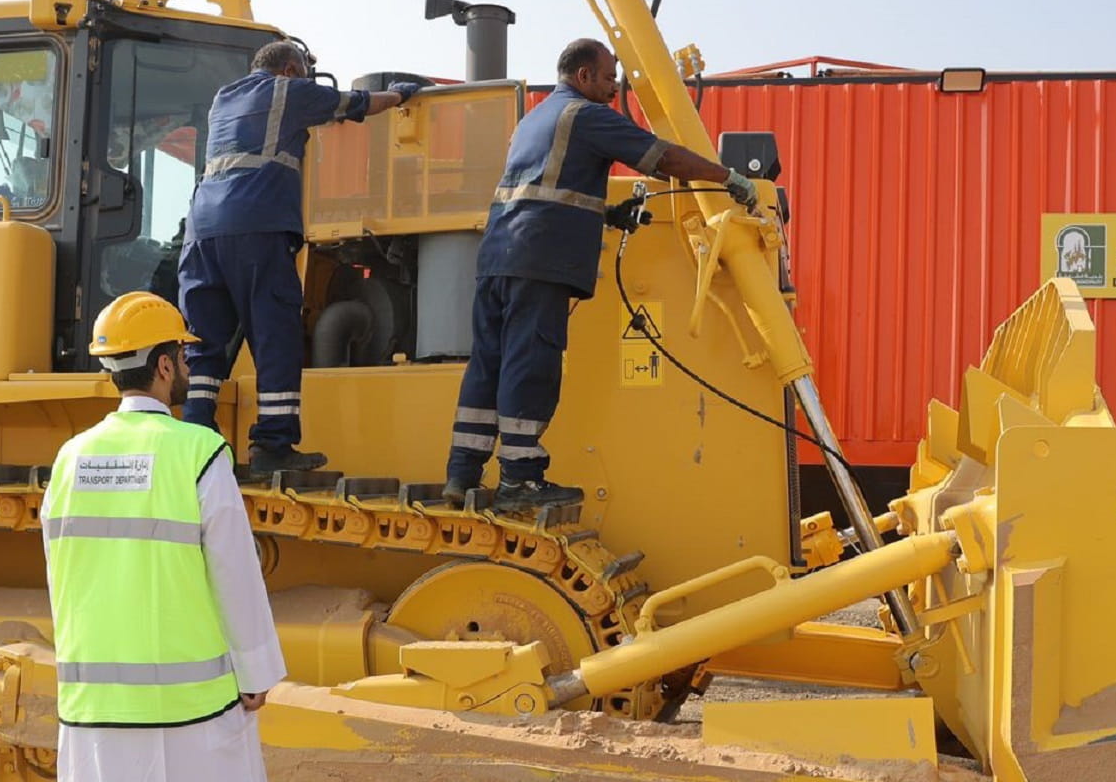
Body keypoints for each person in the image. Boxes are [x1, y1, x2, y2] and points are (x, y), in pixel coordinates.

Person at [42, 290, 335, 782]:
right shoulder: (197, 452)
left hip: (95, 703)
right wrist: (256, 672)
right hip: (192, 703)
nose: (188, 367)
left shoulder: (71, 458)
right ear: (165, 365)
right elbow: (235, 571)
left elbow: (63, 577)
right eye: (183, 354)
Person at [441, 37, 757, 509]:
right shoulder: (585, 116)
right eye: (609, 78)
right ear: (583, 75)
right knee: (532, 363)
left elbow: (547, 187)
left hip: (498, 257)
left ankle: (461, 473)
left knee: (489, 363)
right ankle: (520, 480)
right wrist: (727, 178)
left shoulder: (534, 120)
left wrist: (606, 215)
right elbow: (664, 159)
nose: (614, 89)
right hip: (540, 260)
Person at [180, 41, 422, 475]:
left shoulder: (223, 99)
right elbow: (357, 104)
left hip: (201, 230)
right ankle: (273, 444)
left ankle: (195, 437)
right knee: (275, 332)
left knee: (204, 341)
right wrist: (399, 95)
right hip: (256, 223)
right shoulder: (287, 90)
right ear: (291, 69)